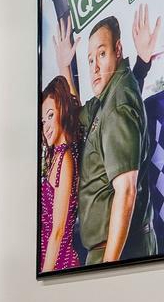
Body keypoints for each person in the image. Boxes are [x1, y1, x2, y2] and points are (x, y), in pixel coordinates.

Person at [61, 15, 156, 264]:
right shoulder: (109, 95)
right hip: (109, 249)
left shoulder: (117, 103)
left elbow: (126, 190)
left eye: (101, 55)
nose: (93, 67)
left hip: (115, 252)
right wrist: (64, 68)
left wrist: (107, 270)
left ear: (118, 50)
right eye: (90, 59)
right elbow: (79, 115)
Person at [40, 75, 83, 273]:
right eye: (43, 120)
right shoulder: (57, 157)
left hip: (59, 264)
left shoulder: (65, 159)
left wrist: (44, 276)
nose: (45, 126)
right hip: (50, 260)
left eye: (50, 116)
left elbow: (58, 230)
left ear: (63, 112)